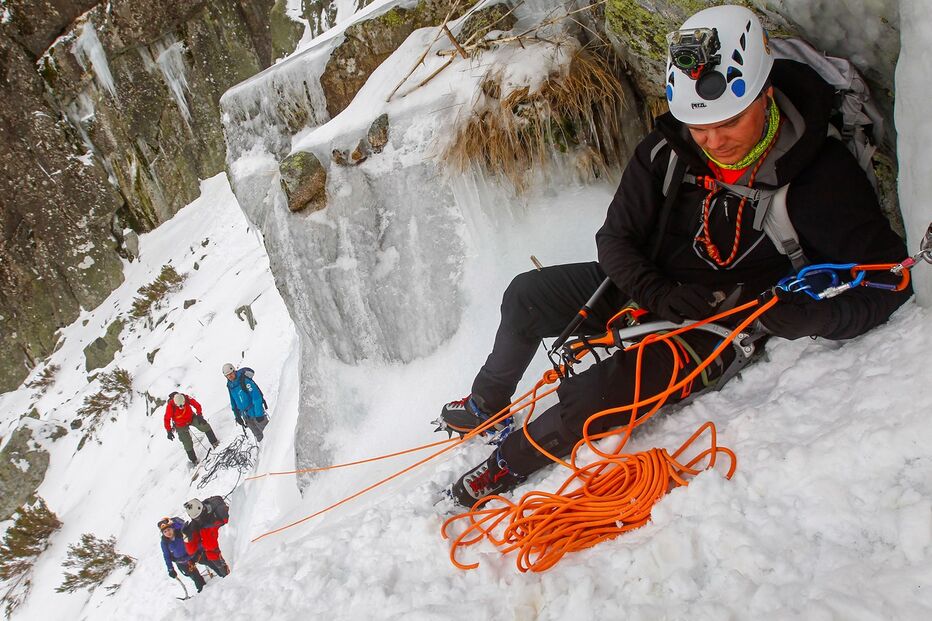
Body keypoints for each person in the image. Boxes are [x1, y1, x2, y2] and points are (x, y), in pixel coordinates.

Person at [440, 5, 911, 507]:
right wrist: (659, 293)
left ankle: (506, 464)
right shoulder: (670, 151)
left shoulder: (821, 178)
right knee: (527, 295)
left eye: (729, 122)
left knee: (597, 395)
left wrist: (813, 317)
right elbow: (615, 240)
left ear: (766, 96)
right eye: (699, 127)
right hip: (652, 287)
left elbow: (890, 279)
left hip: (721, 326)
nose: (713, 142)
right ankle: (487, 402)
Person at [164, 392, 219, 465]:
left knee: (204, 426)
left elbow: (197, 405)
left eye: (183, 404)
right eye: (180, 406)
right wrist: (168, 431)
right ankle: (194, 460)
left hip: (191, 418)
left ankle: (214, 443)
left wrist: (199, 415)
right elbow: (167, 419)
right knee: (187, 442)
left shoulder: (187, 398)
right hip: (180, 425)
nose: (182, 407)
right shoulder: (170, 406)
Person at [182, 497, 231, 577]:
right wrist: (187, 538)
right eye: (196, 518)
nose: (199, 519)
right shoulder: (195, 524)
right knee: (229, 576)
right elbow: (191, 550)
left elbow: (234, 526)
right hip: (214, 557)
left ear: (203, 509)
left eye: (199, 516)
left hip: (227, 549)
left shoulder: (218, 512)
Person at [158, 516, 206, 593]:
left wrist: (200, 550)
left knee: (207, 560)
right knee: (194, 576)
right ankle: (202, 589)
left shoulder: (179, 532)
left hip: (193, 554)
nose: (168, 533)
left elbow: (183, 525)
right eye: (165, 532)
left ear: (172, 528)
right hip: (182, 561)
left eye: (169, 529)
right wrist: (170, 569)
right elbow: (166, 556)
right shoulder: (164, 542)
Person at [222, 363, 268, 442]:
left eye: (230, 374)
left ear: (234, 371)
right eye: (227, 375)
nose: (229, 376)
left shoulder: (244, 380)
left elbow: (256, 397)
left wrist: (259, 414)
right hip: (246, 416)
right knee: (258, 436)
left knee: (268, 433)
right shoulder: (230, 385)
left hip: (255, 413)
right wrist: (237, 416)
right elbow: (233, 401)